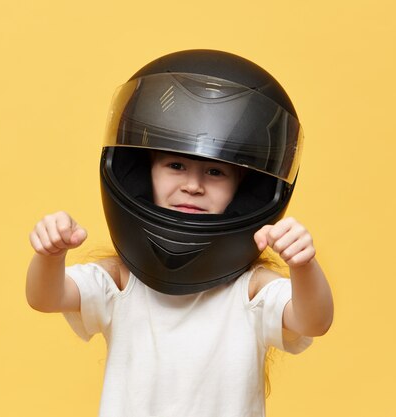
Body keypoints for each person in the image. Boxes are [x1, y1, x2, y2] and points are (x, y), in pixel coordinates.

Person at [26, 50, 334, 417]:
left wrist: (304, 265)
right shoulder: (122, 281)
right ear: (142, 172)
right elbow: (45, 297)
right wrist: (50, 253)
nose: (193, 185)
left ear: (243, 189)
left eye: (215, 172)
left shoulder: (250, 290)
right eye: (176, 165)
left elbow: (314, 321)